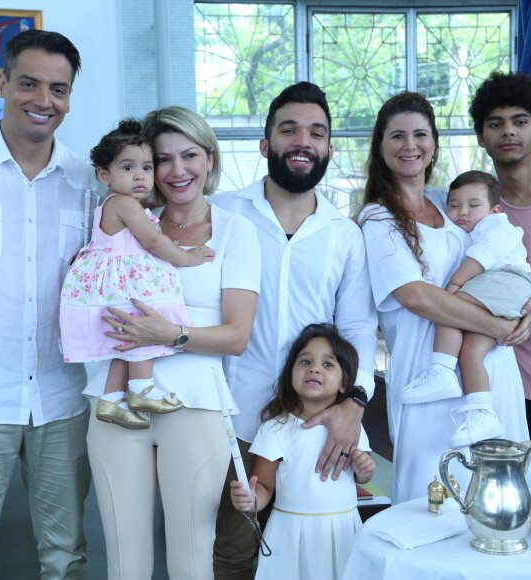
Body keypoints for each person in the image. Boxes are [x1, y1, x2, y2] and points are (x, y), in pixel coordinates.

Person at [84, 105, 261, 579]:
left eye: (189, 155)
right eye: (162, 159)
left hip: (196, 403)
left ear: (209, 157)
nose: (176, 170)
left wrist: (170, 335)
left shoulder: (235, 231)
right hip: (115, 399)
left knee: (191, 559)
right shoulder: (129, 221)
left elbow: (237, 336)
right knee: (124, 560)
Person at [211, 81, 378, 579]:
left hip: (315, 419)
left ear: (328, 148)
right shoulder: (222, 213)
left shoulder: (344, 235)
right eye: (289, 129)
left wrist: (355, 402)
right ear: (265, 145)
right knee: (232, 544)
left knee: (317, 544)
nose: (303, 140)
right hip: (230, 413)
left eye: (317, 132)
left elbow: (357, 328)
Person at [357, 91, 531, 504]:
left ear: (434, 144)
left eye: (420, 134)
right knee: (433, 499)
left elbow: (502, 250)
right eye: (397, 135)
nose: (410, 145)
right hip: (428, 372)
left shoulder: (449, 201)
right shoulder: (377, 217)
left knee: (500, 498)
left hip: (492, 367)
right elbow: (418, 298)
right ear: (381, 147)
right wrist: (498, 324)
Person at [0, 29, 99, 578]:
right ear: (1, 83)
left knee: (66, 553)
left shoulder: (90, 182)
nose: (43, 101)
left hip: (61, 396)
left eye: (59, 89)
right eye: (29, 84)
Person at [60, 120, 214, 429]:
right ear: (105, 175)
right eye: (128, 168)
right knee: (141, 326)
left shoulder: (121, 203)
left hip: (115, 283)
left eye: (146, 167)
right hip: (122, 285)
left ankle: (112, 399)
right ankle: (142, 390)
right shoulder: (124, 204)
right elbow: (153, 241)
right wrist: (187, 256)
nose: (140, 175)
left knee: (126, 344)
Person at [403, 170, 531, 447]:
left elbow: (481, 257)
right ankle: (482, 410)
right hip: (507, 292)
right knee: (471, 352)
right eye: (454, 205)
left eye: (473, 205)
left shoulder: (495, 226)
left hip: (505, 281)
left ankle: (441, 368)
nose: (462, 211)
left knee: (451, 308)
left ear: (494, 209)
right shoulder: (475, 228)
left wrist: (454, 286)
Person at [231, 323, 375, 580]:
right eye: (305, 361)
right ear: (290, 375)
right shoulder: (275, 428)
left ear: (345, 384)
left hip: (341, 532)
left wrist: (365, 468)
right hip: (290, 533)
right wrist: (250, 500)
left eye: (328, 364)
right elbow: (264, 487)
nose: (315, 367)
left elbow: (361, 476)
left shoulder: (351, 427)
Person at [470, 71, 531, 488]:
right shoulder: (472, 211)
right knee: (525, 507)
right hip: (518, 379)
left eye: (520, 121)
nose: (508, 131)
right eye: (495, 123)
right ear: (480, 136)